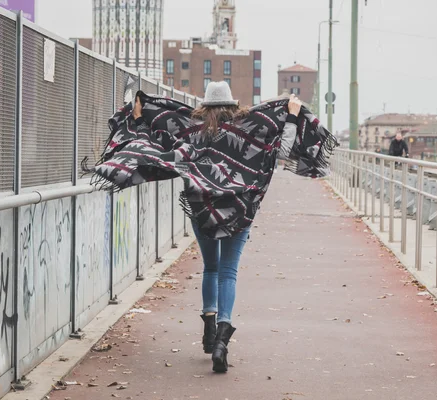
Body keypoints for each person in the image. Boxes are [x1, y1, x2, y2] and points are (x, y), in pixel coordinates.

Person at [88, 81, 335, 374]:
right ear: (233, 105)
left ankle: (208, 323)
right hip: (238, 209)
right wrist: (292, 115)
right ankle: (221, 340)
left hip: (201, 207)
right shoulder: (249, 127)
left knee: (211, 268)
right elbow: (282, 151)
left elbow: (156, 144)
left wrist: (141, 117)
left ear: (204, 105)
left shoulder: (189, 128)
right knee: (228, 271)